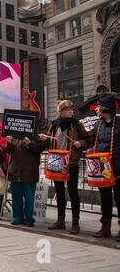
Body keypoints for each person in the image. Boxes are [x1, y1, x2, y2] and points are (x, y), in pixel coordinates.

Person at [39, 100, 91, 234]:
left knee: (73, 192)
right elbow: (51, 141)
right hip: (57, 162)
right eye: (67, 109)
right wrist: (45, 138)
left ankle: (75, 222)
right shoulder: (55, 125)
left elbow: (87, 139)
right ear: (61, 112)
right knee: (59, 191)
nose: (71, 112)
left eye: (71, 109)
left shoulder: (77, 124)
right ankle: (60, 220)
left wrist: (80, 142)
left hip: (71, 163)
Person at [88, 95, 120, 241]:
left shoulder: (118, 123)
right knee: (105, 197)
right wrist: (91, 149)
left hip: (117, 166)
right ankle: (105, 226)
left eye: (99, 107)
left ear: (106, 109)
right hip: (102, 167)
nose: (97, 109)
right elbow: (94, 141)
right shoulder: (97, 124)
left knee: (119, 197)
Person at [5, 134, 46, 227]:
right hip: (15, 172)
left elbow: (41, 148)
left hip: (29, 173)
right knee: (16, 197)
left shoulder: (36, 134)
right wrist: (9, 143)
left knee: (29, 197)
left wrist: (30, 143)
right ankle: (17, 217)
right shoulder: (14, 134)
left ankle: (29, 218)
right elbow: (7, 150)